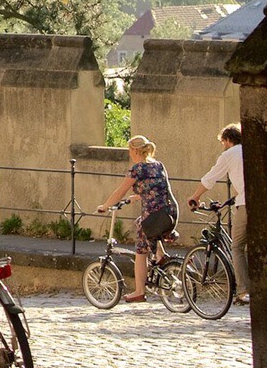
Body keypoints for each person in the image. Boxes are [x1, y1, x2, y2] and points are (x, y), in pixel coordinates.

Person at [98, 136, 179, 303]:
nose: (129, 154)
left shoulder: (137, 169)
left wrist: (105, 206)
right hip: (169, 212)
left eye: (129, 151)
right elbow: (157, 188)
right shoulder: (158, 165)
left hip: (153, 216)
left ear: (135, 151)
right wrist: (139, 195)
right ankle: (160, 254)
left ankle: (139, 291)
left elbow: (119, 192)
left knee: (140, 252)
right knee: (140, 223)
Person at [187, 123, 249, 306]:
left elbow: (210, 178)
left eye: (223, 142)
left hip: (245, 204)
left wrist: (195, 196)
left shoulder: (229, 154)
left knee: (237, 247)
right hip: (261, 201)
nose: (223, 145)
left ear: (228, 140)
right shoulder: (250, 149)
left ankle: (244, 290)